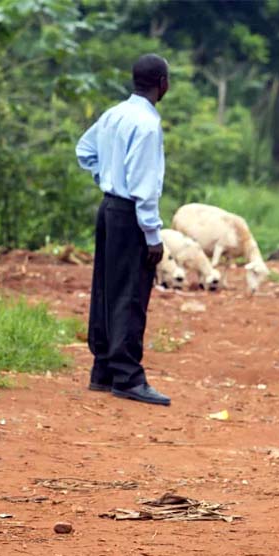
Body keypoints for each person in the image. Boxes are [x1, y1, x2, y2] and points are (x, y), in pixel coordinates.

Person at [75, 54, 171, 406]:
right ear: (163, 83)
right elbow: (145, 187)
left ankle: (103, 370)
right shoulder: (147, 124)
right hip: (130, 213)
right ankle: (128, 376)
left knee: (106, 287)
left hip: (109, 208)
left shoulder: (115, 114)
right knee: (130, 293)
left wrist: (106, 178)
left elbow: (84, 150)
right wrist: (153, 234)